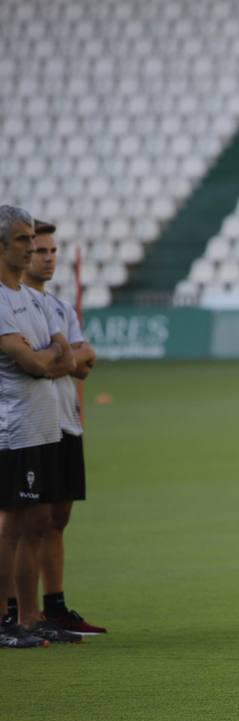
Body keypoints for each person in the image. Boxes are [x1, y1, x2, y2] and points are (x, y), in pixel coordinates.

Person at [0, 205, 80, 648]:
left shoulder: (30, 299)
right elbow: (31, 360)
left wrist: (47, 358)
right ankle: (3, 619)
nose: (31, 248)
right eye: (22, 240)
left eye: (34, 240)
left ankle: (30, 618)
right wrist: (46, 359)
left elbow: (65, 356)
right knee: (11, 525)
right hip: (16, 429)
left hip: (44, 429)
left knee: (34, 524)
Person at [22, 220, 102, 635]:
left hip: (66, 422)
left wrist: (62, 357)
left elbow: (83, 365)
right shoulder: (13, 306)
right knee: (26, 521)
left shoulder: (60, 308)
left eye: (53, 251)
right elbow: (45, 363)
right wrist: (65, 356)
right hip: (31, 425)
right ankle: (20, 612)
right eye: (40, 251)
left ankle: (54, 607)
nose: (49, 258)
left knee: (58, 519)